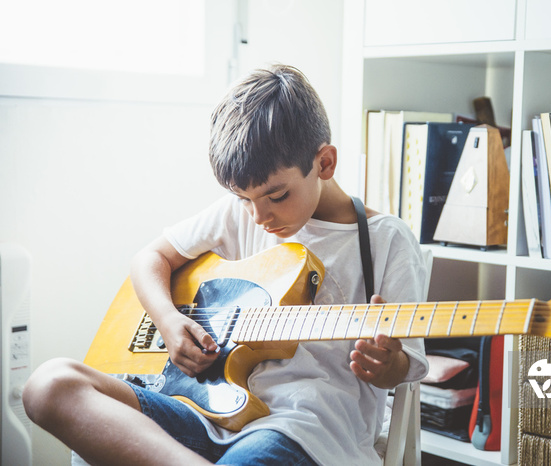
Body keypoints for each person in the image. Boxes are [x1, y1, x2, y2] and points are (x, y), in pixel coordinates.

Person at [22, 64, 429, 466]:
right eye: (243, 199)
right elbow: (150, 259)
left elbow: (402, 366)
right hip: (196, 409)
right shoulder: (239, 213)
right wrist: (168, 320)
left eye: (277, 195)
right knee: (48, 385)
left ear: (324, 163)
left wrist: (386, 364)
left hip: (300, 428)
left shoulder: (386, 240)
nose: (258, 217)